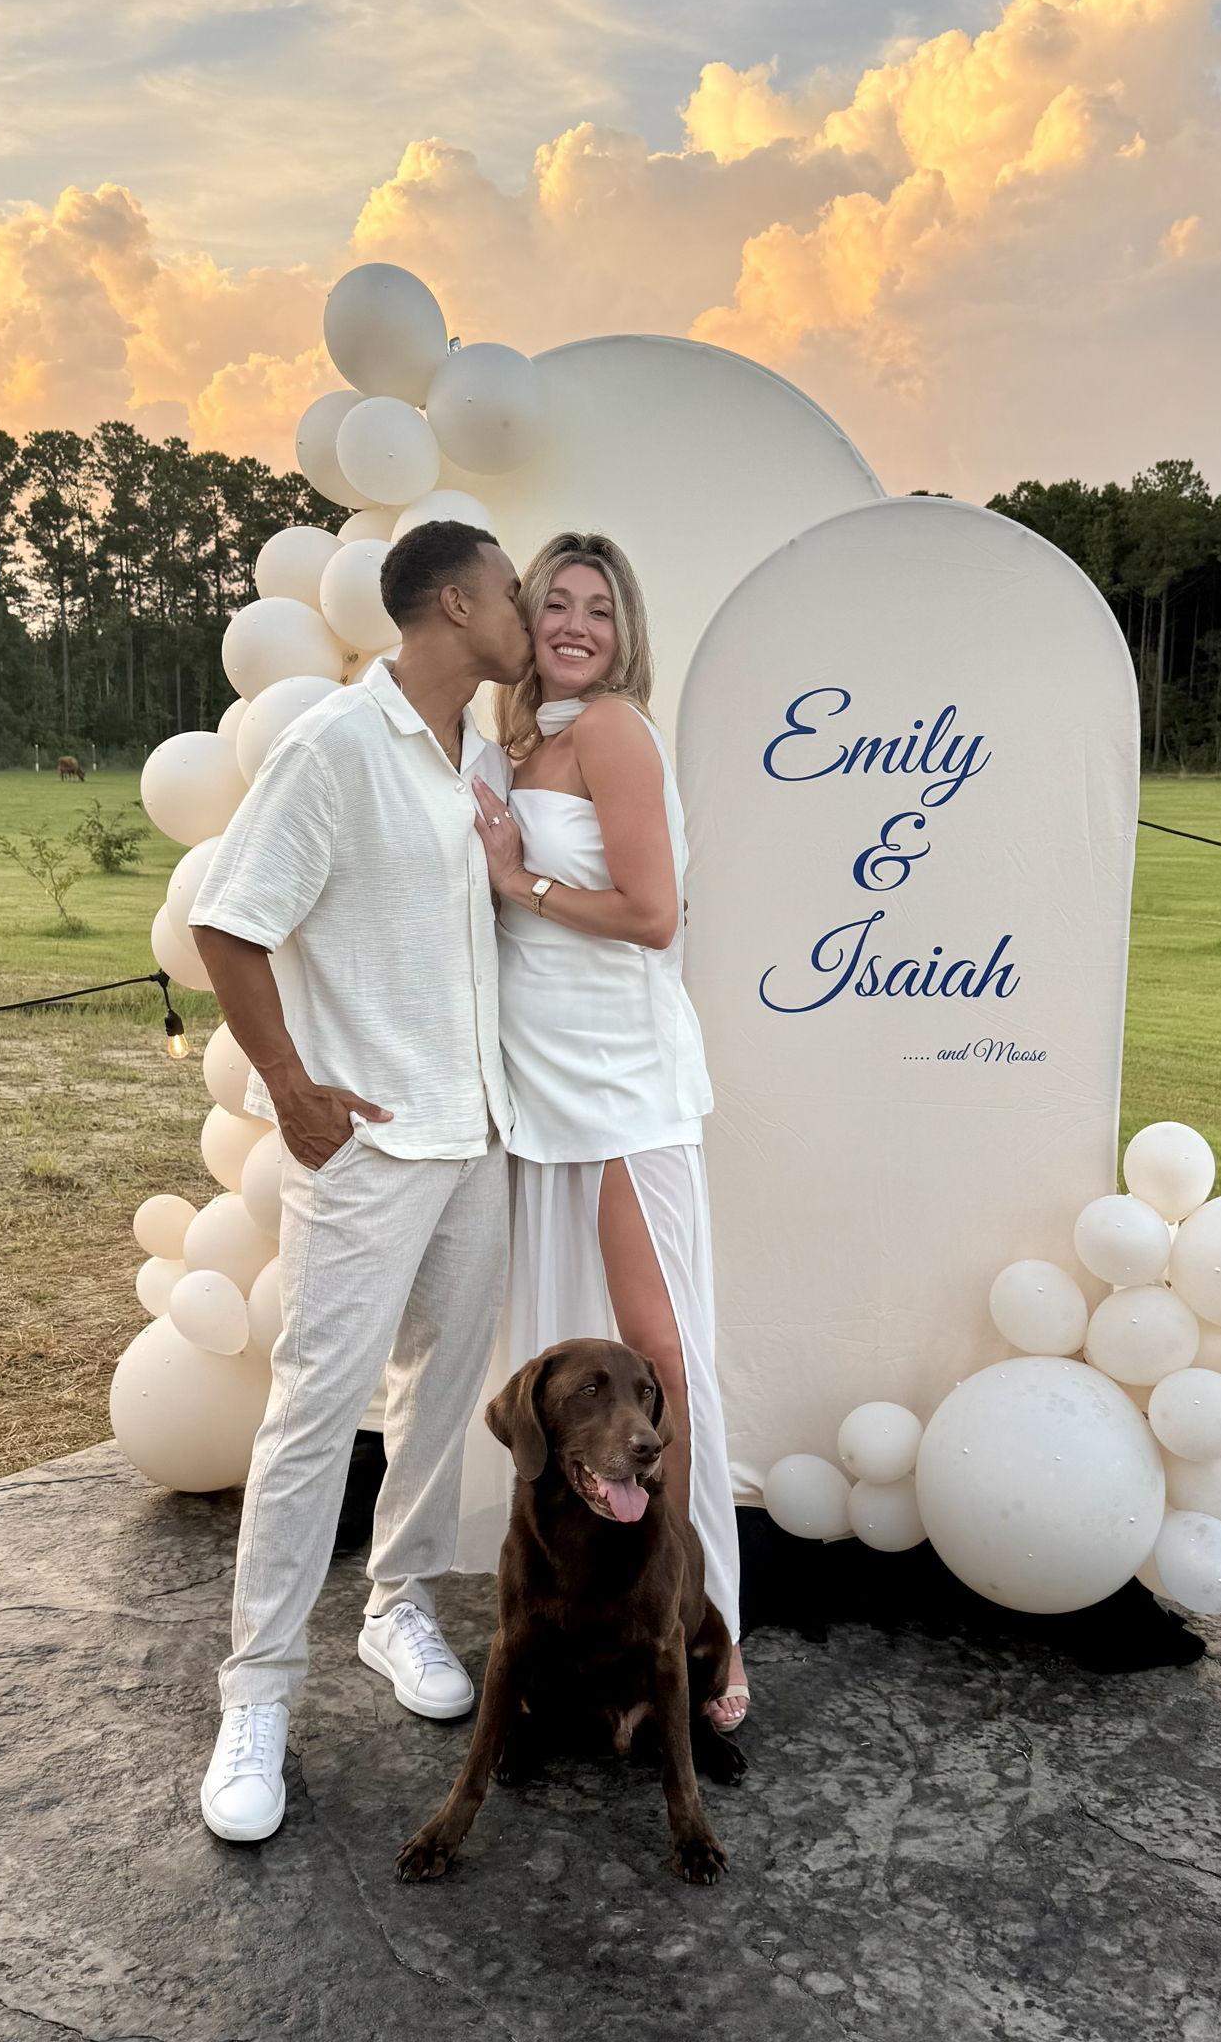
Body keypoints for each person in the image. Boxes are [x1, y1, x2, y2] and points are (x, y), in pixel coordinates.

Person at [187, 519, 531, 1843]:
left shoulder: (478, 755)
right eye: (510, 591)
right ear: (453, 603)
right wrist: (289, 1085)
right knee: (315, 1409)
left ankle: (397, 1606)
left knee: (439, 1391)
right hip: (370, 1144)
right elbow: (228, 923)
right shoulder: (334, 745)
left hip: (476, 1135)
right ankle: (258, 1693)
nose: (524, 611)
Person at [466, 531, 749, 1731]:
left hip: (622, 1081)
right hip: (542, 1087)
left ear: (623, 630)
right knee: (565, 1356)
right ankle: (581, 1620)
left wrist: (517, 881)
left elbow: (651, 911)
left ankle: (696, 1628)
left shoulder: (613, 730)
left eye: (599, 607)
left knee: (656, 1354)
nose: (575, 624)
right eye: (556, 603)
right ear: (525, 617)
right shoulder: (514, 742)